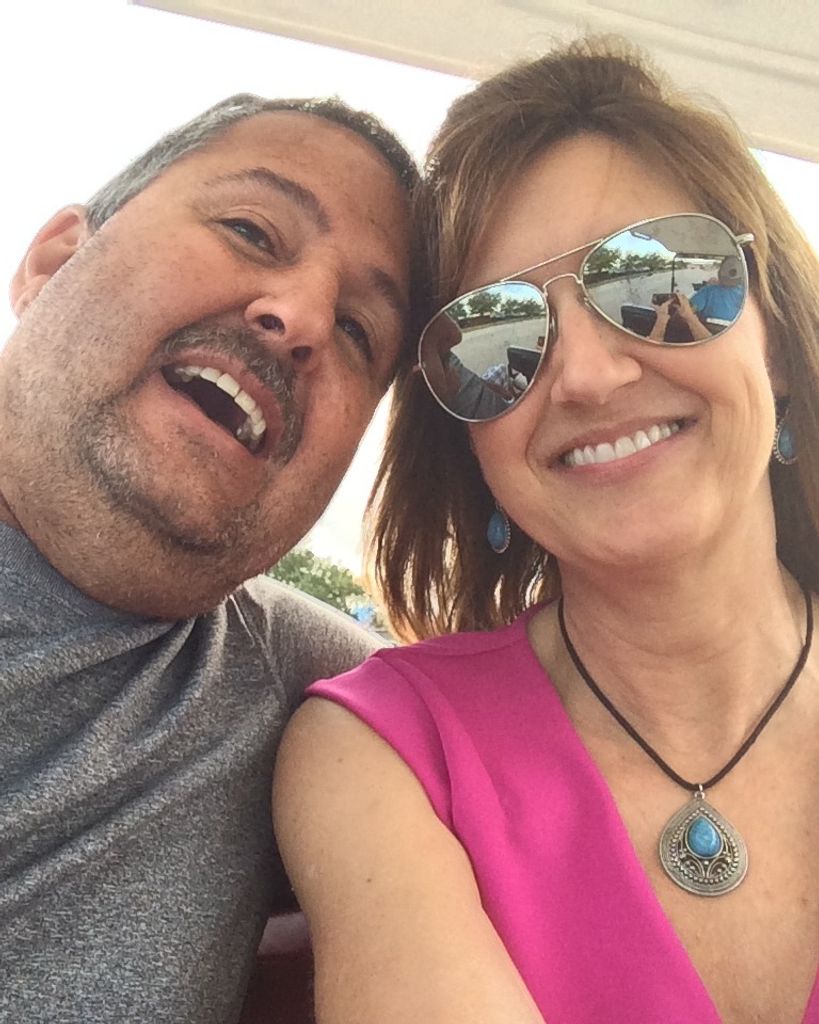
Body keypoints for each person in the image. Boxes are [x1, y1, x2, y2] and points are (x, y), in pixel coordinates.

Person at [273, 39, 819, 1024]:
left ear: (773, 337)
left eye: (660, 278)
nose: (588, 377)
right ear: (467, 439)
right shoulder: (392, 752)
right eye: (496, 335)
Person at [0, 92, 419, 1023]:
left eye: (359, 332)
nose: (301, 317)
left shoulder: (323, 695)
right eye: (250, 231)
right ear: (54, 259)